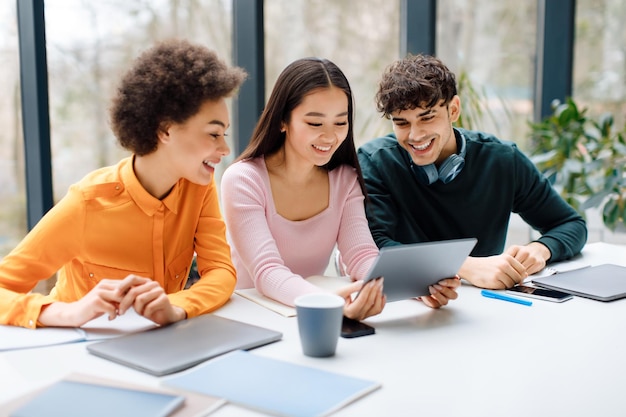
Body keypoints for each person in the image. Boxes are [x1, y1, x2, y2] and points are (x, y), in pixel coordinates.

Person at [0, 39, 246, 328]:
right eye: (214, 134)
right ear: (166, 130)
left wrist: (176, 307)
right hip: (78, 349)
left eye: (224, 135)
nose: (225, 150)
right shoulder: (87, 203)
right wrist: (69, 313)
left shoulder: (199, 187)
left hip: (161, 344)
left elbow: (220, 269)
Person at [221, 57, 461, 321]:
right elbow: (267, 272)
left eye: (340, 122)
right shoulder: (244, 180)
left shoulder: (344, 179)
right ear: (282, 120)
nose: (330, 136)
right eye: (315, 123)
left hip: (309, 316)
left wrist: (416, 286)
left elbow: (360, 255)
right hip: (249, 318)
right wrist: (328, 303)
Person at [357, 54, 588, 290]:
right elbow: (374, 247)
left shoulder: (502, 160)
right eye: (402, 123)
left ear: (453, 109)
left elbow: (571, 224)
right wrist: (465, 266)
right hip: (408, 303)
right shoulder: (375, 162)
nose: (415, 135)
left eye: (427, 118)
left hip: (487, 304)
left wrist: (539, 250)